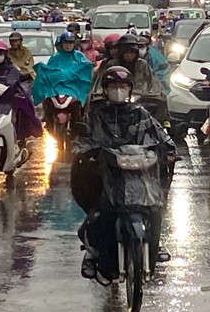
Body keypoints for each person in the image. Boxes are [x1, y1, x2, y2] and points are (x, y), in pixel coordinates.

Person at [73, 66, 175, 281]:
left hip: (139, 176)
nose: (117, 90)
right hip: (107, 176)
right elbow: (82, 140)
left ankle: (154, 245)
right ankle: (93, 252)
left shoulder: (141, 114)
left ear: (129, 89)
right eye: (112, 86)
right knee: (100, 213)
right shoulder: (96, 115)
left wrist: (169, 150)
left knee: (154, 209)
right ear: (105, 89)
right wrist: (88, 152)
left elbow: (160, 135)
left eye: (122, 86)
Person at [32, 32, 94, 108]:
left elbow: (86, 68)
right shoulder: (55, 57)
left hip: (74, 88)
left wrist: (73, 75)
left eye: (70, 42)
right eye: (66, 42)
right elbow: (48, 72)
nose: (68, 45)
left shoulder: (79, 56)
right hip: (55, 89)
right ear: (61, 43)